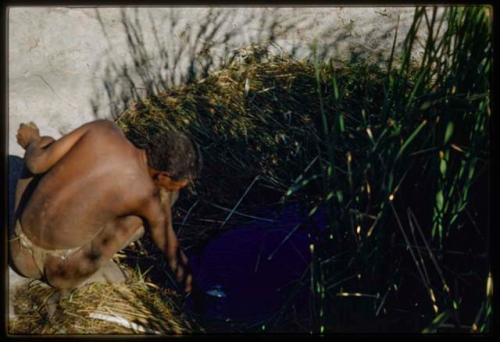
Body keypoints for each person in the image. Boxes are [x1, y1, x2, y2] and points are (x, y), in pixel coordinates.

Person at [9, 119, 201, 293]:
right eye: (178, 185)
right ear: (163, 176)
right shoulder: (146, 197)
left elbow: (35, 164)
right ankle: (96, 272)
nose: (178, 189)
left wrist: (32, 141)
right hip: (62, 272)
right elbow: (167, 243)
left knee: (46, 144)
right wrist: (191, 286)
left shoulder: (102, 130)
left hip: (18, 252)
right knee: (142, 216)